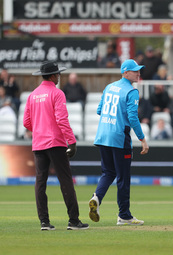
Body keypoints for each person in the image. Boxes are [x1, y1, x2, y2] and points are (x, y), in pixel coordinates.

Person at [23, 61, 89, 231]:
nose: (59, 76)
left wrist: (39, 130)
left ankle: (44, 221)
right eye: (58, 74)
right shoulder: (57, 93)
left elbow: (26, 122)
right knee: (65, 180)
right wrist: (71, 141)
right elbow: (61, 120)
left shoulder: (32, 95)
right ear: (53, 76)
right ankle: (73, 221)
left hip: (38, 144)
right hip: (55, 142)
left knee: (40, 182)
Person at [88, 59, 149, 225]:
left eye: (139, 70)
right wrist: (142, 139)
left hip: (102, 135)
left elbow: (100, 110)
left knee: (108, 172)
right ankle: (124, 215)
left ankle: (96, 198)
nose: (138, 73)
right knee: (123, 177)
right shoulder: (131, 91)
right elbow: (132, 117)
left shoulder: (109, 87)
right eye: (135, 70)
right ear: (125, 72)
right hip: (119, 137)